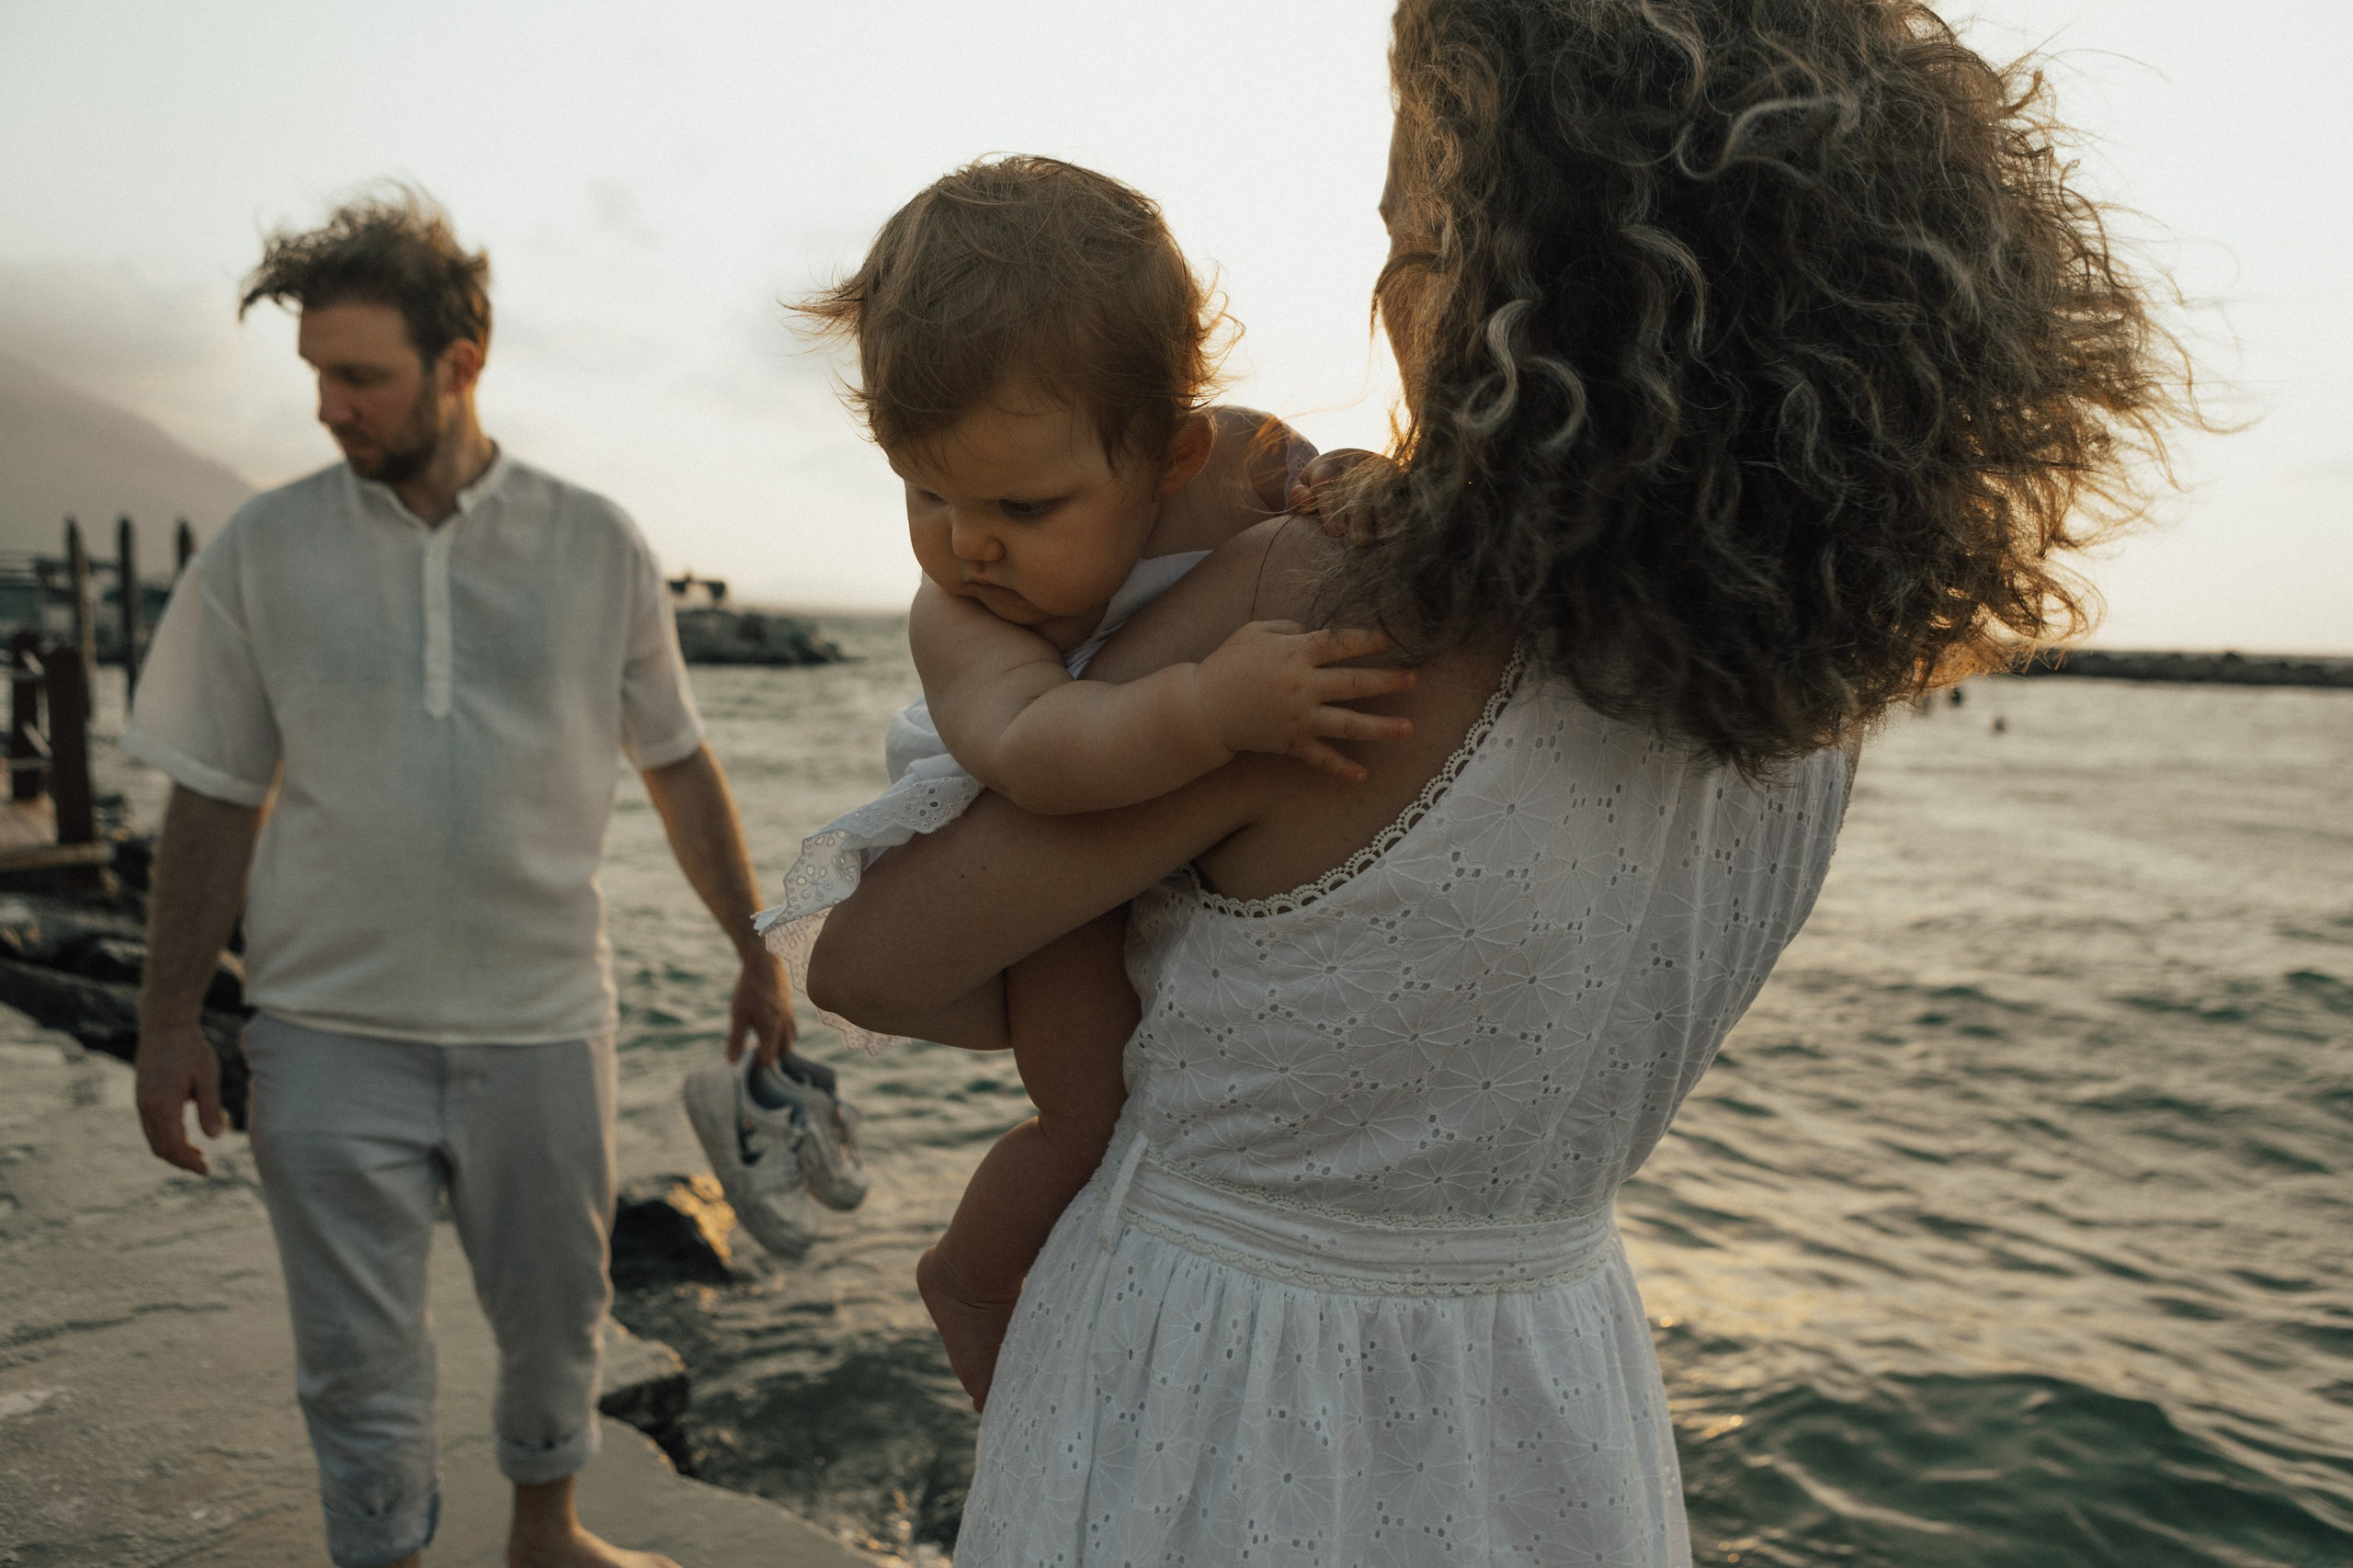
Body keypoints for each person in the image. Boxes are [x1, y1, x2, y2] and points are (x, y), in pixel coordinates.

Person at [805, 1, 2190, 1562]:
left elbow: (874, 959)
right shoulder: (1809, 695)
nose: (1384, 290)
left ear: (1549, 280)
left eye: (1416, 238)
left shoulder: (1329, 614)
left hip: (1205, 1398)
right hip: (1546, 1396)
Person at [126, 189, 798, 1568]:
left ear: (462, 360)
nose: (331, 406)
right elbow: (212, 789)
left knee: (559, 1315)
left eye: (360, 376)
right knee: (354, 1358)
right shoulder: (265, 550)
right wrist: (167, 1014)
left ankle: (545, 1537)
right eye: (317, 375)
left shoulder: (594, 543)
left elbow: (676, 763)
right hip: (324, 1030)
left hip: (544, 1020)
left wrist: (755, 946)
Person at [742, 155, 1415, 1410]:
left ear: (1172, 453)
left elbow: (1325, 477)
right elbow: (1043, 759)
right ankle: (971, 1274)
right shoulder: (962, 619)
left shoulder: (1242, 458)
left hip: (1170, 839)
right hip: (1035, 854)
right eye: (923, 491)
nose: (964, 540)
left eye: (1023, 503)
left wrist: (1367, 490)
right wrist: (1214, 707)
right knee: (1089, 1114)